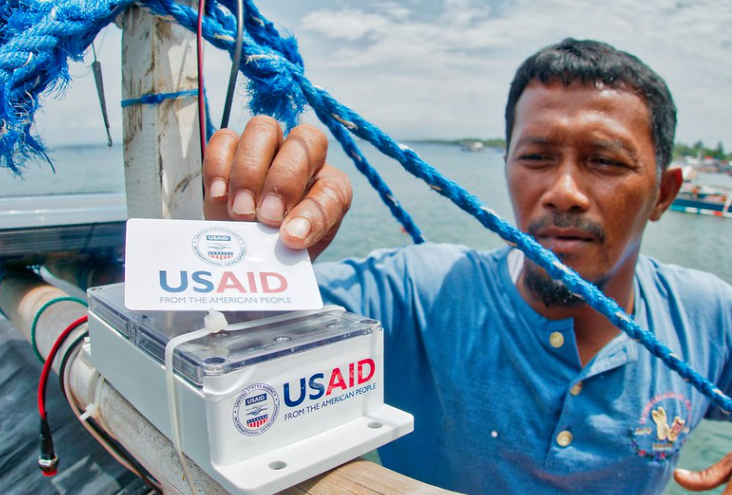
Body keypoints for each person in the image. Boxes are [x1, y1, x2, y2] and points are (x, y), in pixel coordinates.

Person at [202, 38, 732, 494]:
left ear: (664, 194)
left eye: (606, 161)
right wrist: (259, 254)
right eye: (537, 157)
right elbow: (216, 333)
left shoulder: (706, 314)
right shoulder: (416, 294)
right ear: (506, 167)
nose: (564, 191)